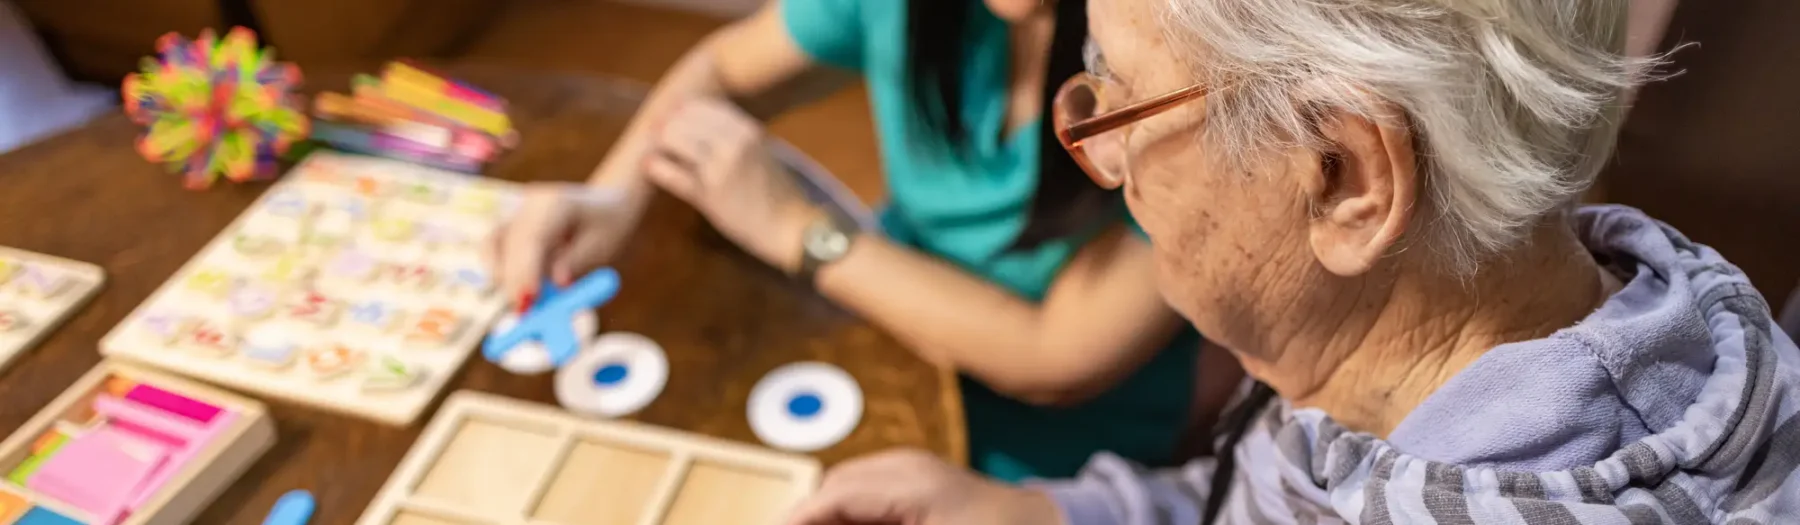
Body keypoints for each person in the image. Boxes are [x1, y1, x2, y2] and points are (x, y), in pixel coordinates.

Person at [780, 0, 1800, 523]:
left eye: (1117, 98)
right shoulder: (1408, 337)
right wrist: (1041, 514)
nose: (1099, 155)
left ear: (1346, 177)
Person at [487, 0, 1241, 481]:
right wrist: (615, 193)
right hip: (883, 328)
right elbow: (721, 66)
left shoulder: (1181, 71)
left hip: (1058, 455)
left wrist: (800, 231)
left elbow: (1052, 360)